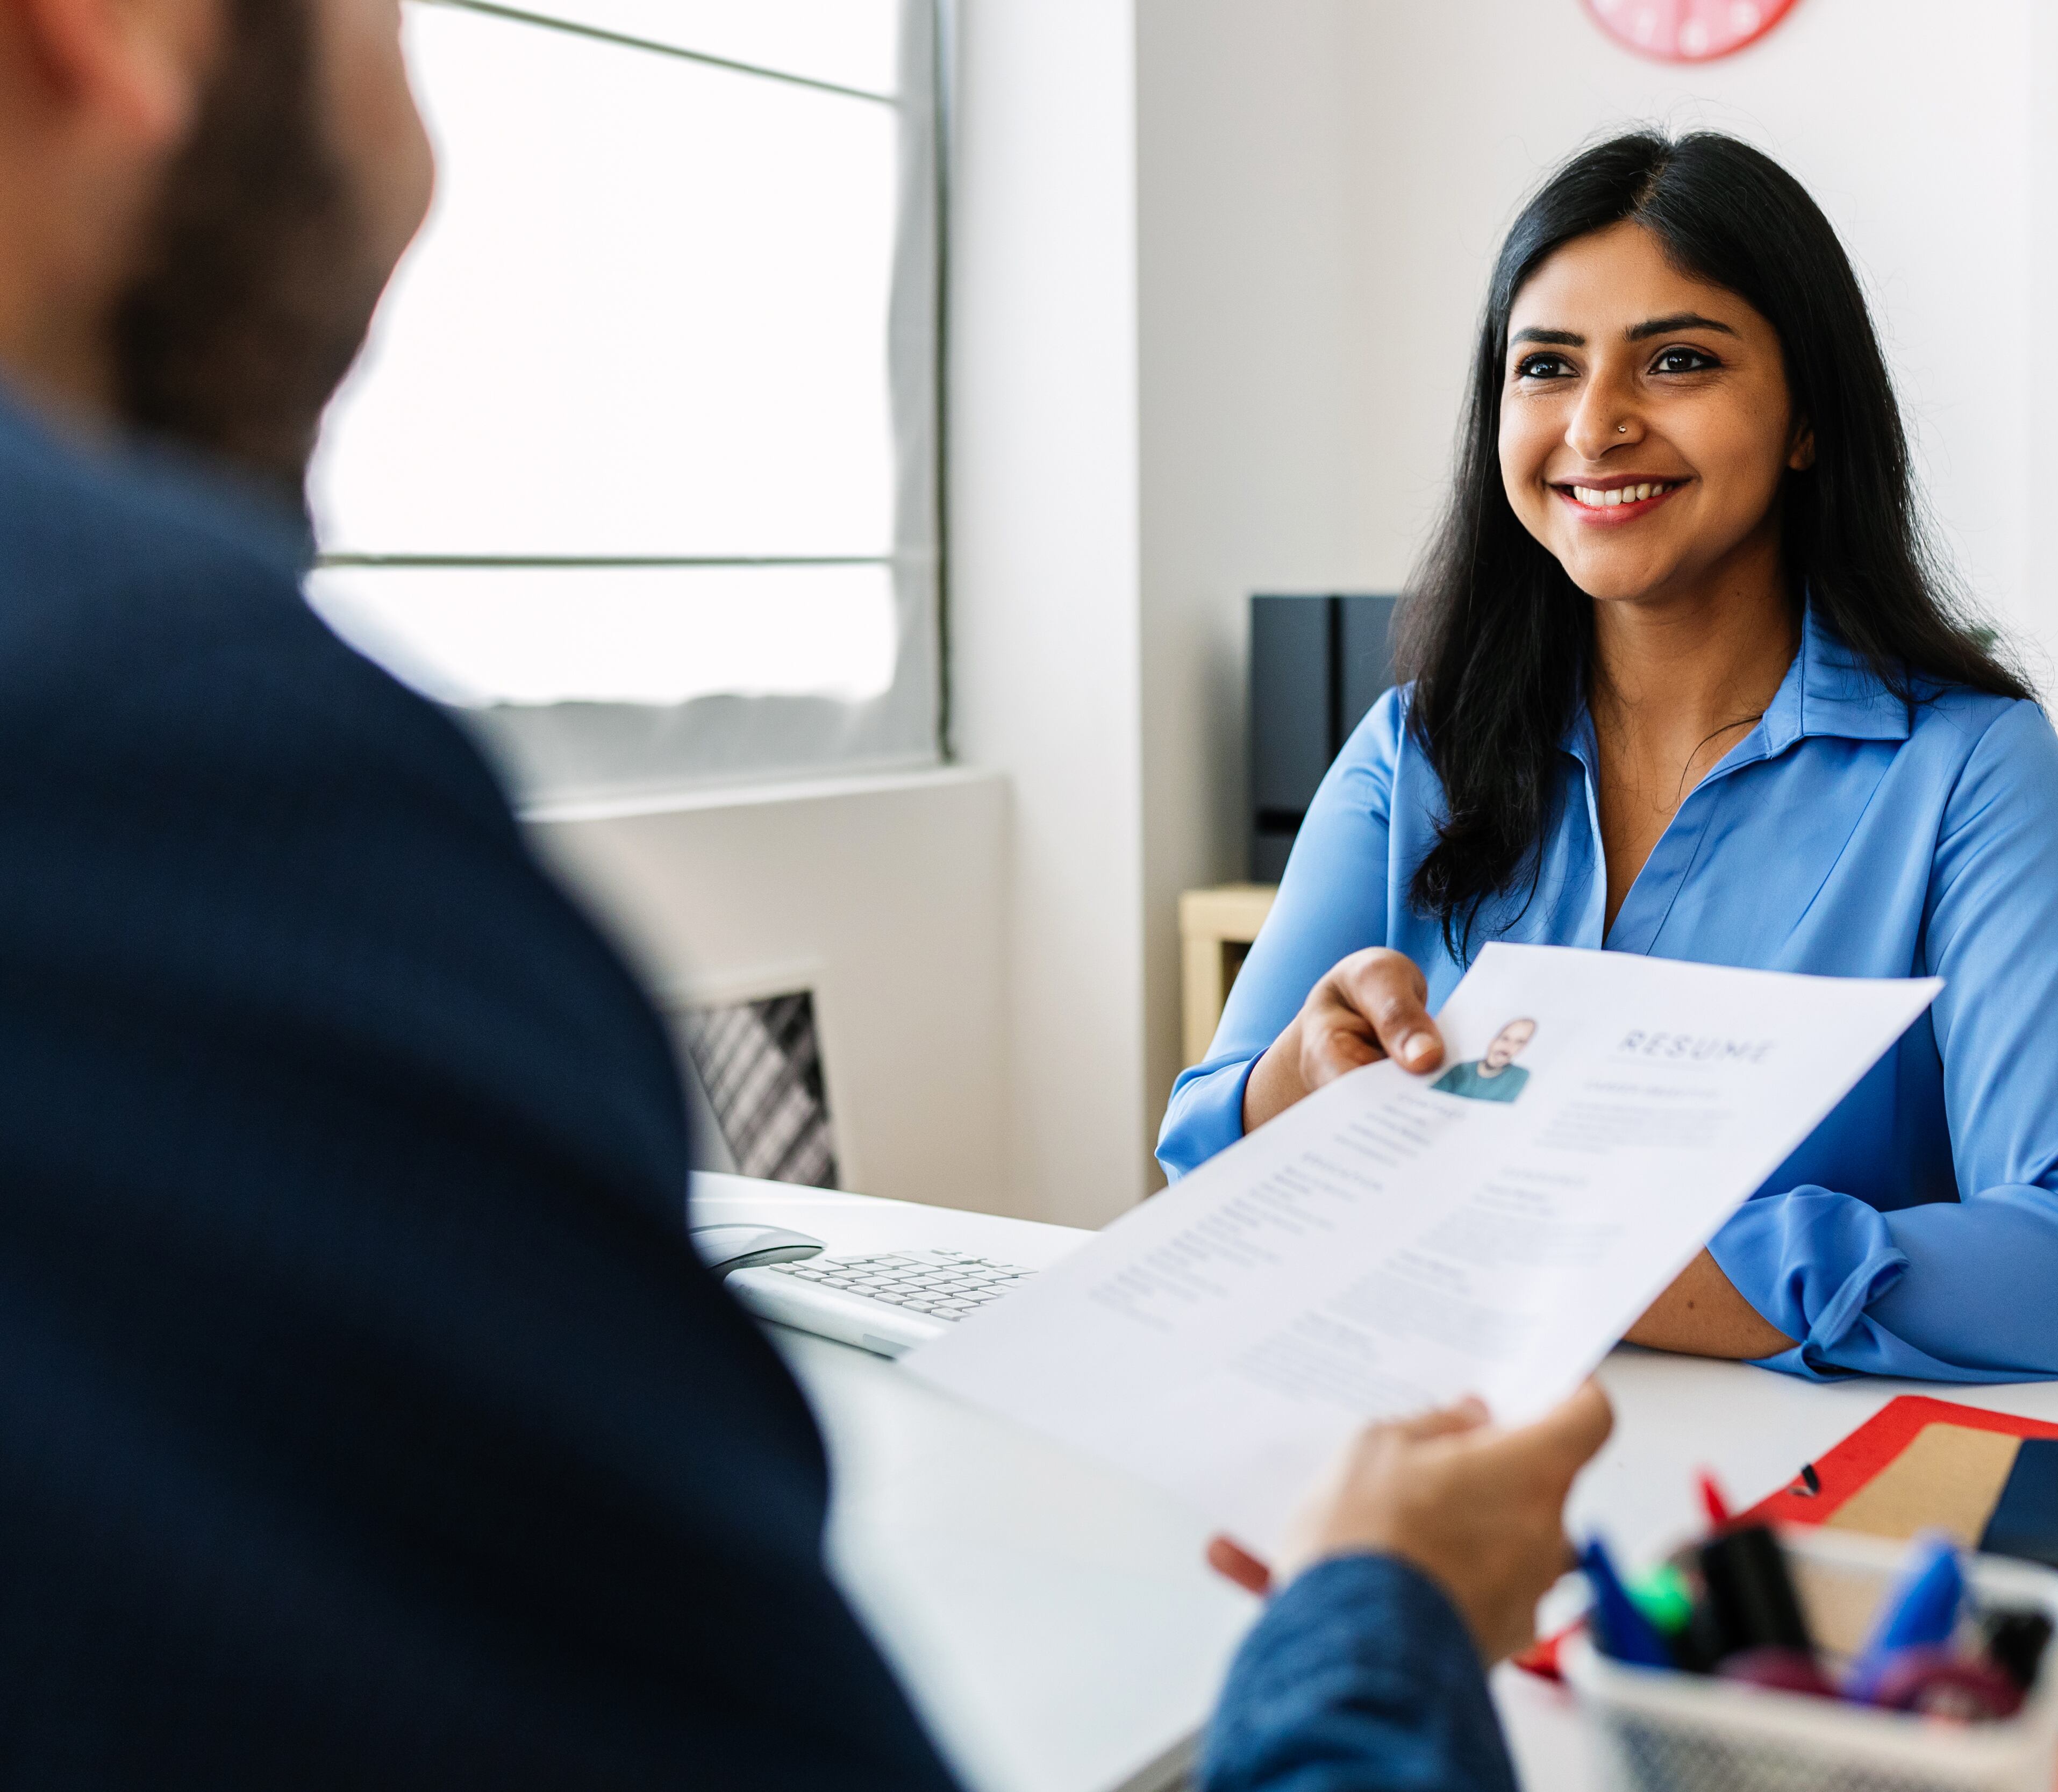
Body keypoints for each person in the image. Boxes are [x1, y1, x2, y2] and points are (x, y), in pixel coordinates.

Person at [0, 1, 1609, 1786]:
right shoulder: (190, 755)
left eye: (1678, 361)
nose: (433, 151)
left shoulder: (1962, 768)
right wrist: (1380, 1612)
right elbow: (1205, 1132)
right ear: (112, 32)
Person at [1160, 132, 2058, 1386]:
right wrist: (1293, 1088)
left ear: (1808, 416)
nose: (1596, 425)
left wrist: (1571, 1250)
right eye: (1545, 367)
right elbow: (1203, 1164)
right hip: (1425, 1473)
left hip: (1778, 1527)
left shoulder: (1966, 772)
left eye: (1679, 360)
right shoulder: (1409, 755)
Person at [1432, 1016, 1538, 1102]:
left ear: (1523, 1048)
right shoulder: (1460, 1069)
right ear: (1494, 1040)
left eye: (1519, 1042)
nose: (1508, 1047)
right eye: (1505, 1039)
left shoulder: (1519, 1076)